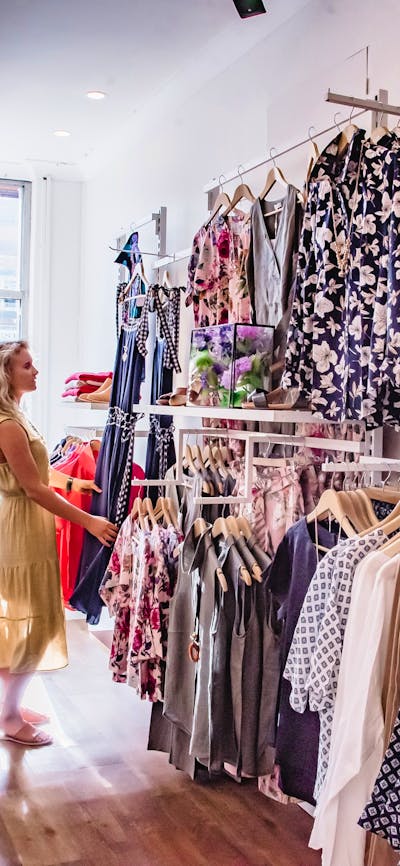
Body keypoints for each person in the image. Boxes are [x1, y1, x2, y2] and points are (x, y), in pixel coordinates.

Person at [0, 340, 118, 747]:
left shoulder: (17, 416)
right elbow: (32, 488)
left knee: (23, 622)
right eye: (27, 366)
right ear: (6, 374)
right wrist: (88, 520)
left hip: (26, 524)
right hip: (18, 526)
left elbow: (40, 473)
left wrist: (74, 482)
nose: (36, 371)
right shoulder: (6, 424)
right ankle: (10, 718)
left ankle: (8, 707)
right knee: (25, 623)